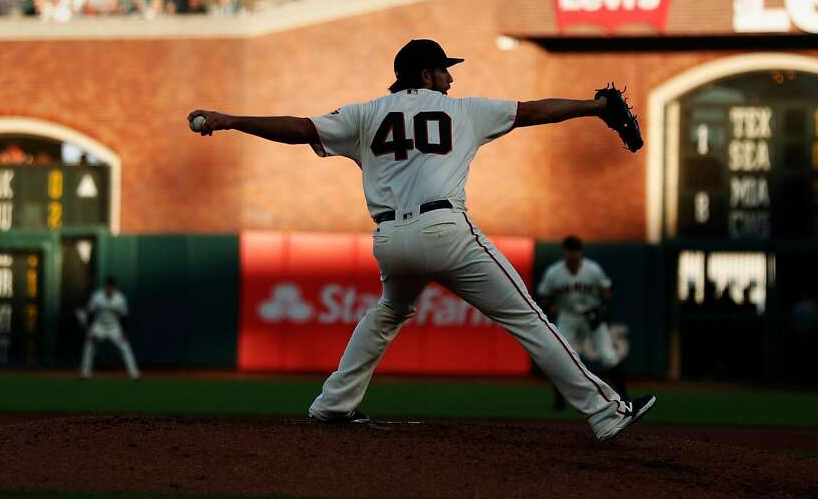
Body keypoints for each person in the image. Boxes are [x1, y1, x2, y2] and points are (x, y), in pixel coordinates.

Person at [187, 39, 656, 441]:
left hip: (390, 239)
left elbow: (299, 128)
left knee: (389, 311)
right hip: (445, 230)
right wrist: (595, 107)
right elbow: (535, 112)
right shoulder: (463, 110)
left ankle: (333, 404)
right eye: (444, 71)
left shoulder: (366, 113)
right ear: (426, 74)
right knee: (528, 319)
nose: (450, 80)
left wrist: (231, 119)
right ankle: (607, 412)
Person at [537, 236, 628, 411]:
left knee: (609, 356)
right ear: (564, 252)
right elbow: (543, 295)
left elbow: (606, 290)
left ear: (580, 252)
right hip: (568, 316)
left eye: (575, 250)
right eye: (569, 250)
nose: (572, 254)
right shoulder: (554, 272)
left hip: (591, 315)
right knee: (560, 357)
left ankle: (625, 397)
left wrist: (603, 309)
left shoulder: (592, 269)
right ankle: (559, 400)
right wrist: (551, 306)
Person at [78, 276, 141, 380]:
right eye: (108, 286)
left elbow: (124, 316)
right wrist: (90, 329)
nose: (110, 289)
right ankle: (85, 374)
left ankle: (134, 374)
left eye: (112, 287)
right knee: (89, 346)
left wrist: (124, 331)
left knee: (125, 348)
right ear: (105, 286)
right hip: (99, 326)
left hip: (114, 327)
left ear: (115, 288)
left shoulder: (120, 298)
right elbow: (90, 312)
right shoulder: (97, 296)